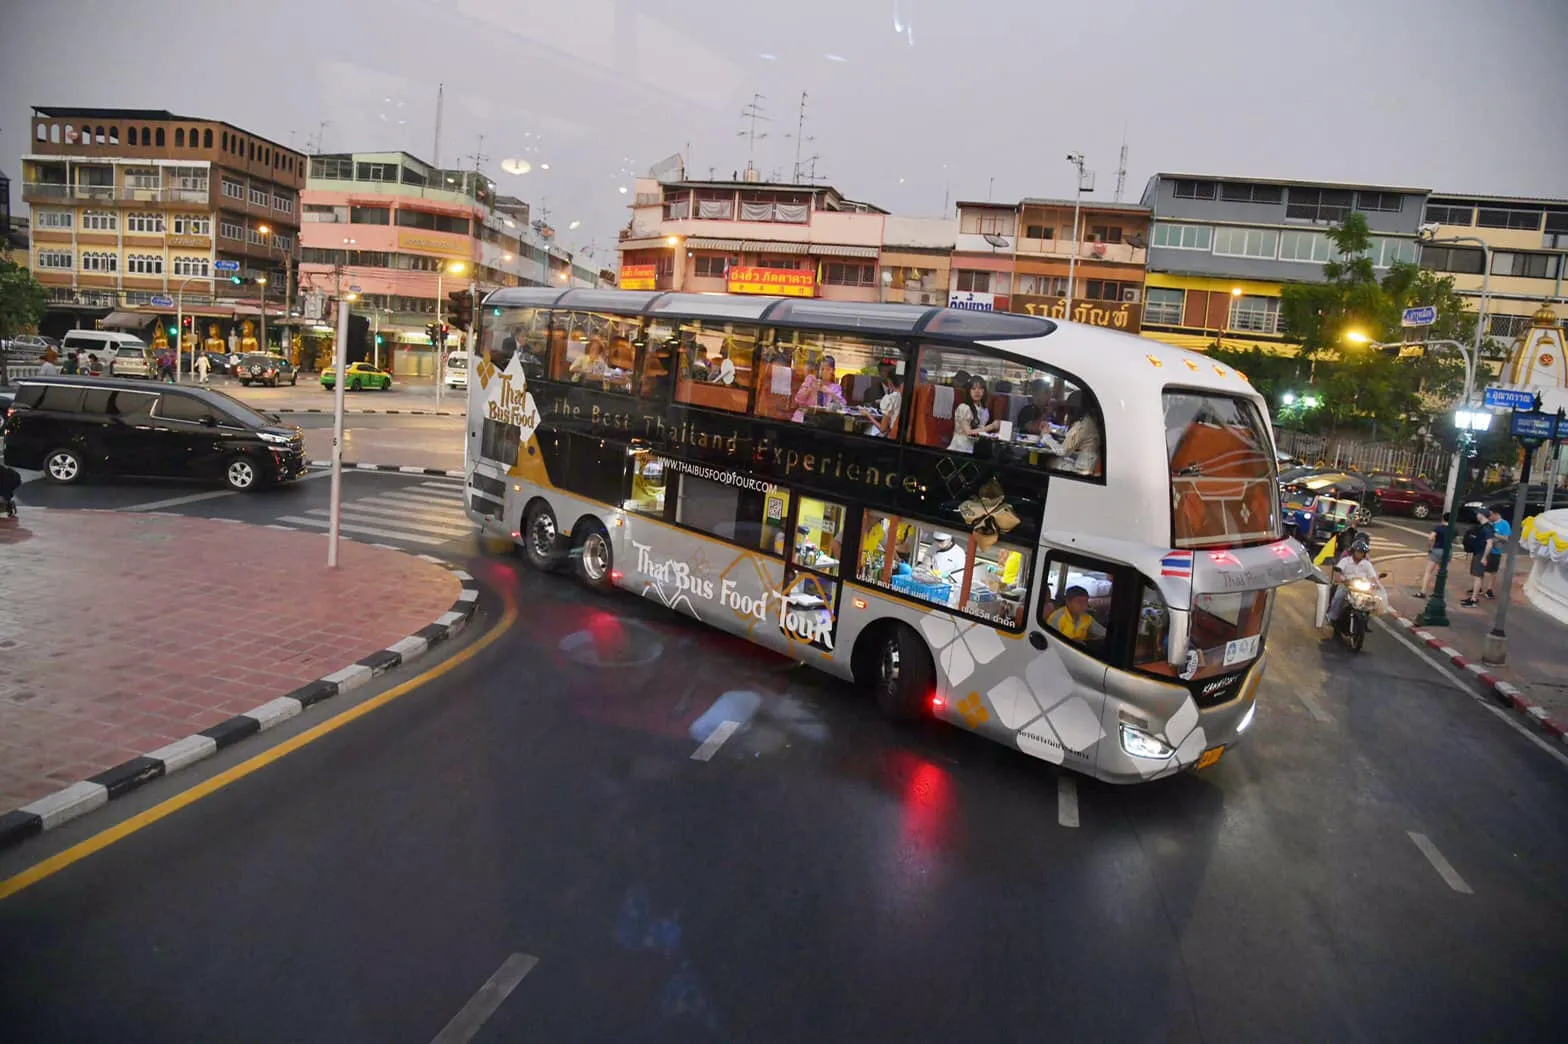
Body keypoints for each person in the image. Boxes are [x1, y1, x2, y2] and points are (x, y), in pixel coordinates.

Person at [1325, 535, 1383, 632]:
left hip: (1362, 588)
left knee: (1371, 602)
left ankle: (1365, 623)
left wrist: (1375, 583)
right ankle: (1332, 617)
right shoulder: (1345, 561)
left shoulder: (1367, 564)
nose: (1360, 554)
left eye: (1362, 553)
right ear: (1353, 551)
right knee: (1338, 597)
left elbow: (1373, 576)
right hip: (1346, 586)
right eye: (1358, 552)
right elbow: (1338, 571)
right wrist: (1339, 579)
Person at [948, 376, 1000, 452]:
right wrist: (992, 426)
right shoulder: (963, 407)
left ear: (984, 391)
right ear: (968, 391)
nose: (977, 392)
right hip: (960, 448)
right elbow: (968, 432)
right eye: (973, 388)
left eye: (980, 388)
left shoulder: (984, 409)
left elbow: (980, 430)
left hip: (975, 448)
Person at [1059, 391, 1102, 475]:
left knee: (1053, 462)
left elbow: (1063, 451)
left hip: (1084, 470)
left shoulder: (1082, 425)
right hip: (1089, 465)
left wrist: (1046, 436)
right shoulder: (1090, 420)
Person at [1460, 508, 1495, 608]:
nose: (1476, 516)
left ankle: (1474, 599)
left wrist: (1484, 557)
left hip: (1480, 554)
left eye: (1478, 514)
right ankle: (1473, 597)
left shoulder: (1486, 528)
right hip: (1478, 553)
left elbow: (1489, 543)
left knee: (1477, 576)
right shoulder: (1484, 527)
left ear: (1482, 515)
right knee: (1478, 576)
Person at [1417, 512, 1450, 598]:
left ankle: (1423, 591)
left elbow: (1431, 537)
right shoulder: (1453, 529)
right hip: (1447, 552)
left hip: (1437, 550)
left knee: (1428, 571)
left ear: (1443, 519)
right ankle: (1438, 591)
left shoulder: (1438, 528)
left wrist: (1430, 548)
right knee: (1441, 573)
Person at [1483, 507, 1510, 600]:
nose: (1489, 516)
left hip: (1495, 551)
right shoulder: (1488, 523)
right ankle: (1478, 587)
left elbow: (1506, 538)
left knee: (1492, 571)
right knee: (1480, 569)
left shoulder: (1504, 524)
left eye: (1491, 514)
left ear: (1496, 514)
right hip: (1484, 549)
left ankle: (1489, 589)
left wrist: (1494, 534)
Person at [866, 371, 902, 438]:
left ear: (890, 384)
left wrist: (868, 415)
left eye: (888, 384)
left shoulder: (890, 398)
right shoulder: (902, 397)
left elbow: (883, 429)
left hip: (891, 436)